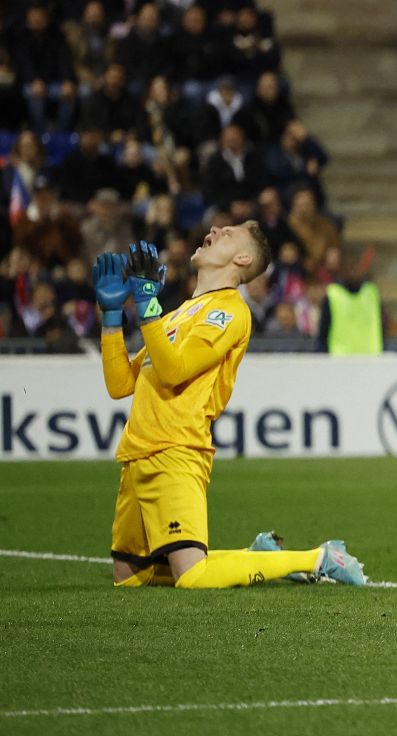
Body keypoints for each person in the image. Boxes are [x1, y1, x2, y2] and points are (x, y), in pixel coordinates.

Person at [92, 224, 366, 588]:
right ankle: (259, 557)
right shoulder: (176, 315)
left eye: (229, 233)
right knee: (130, 576)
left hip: (176, 449)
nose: (215, 228)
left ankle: (318, 558)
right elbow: (120, 385)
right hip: (137, 454)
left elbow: (174, 371)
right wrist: (111, 318)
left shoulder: (230, 312)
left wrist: (147, 308)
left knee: (193, 577)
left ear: (243, 258)